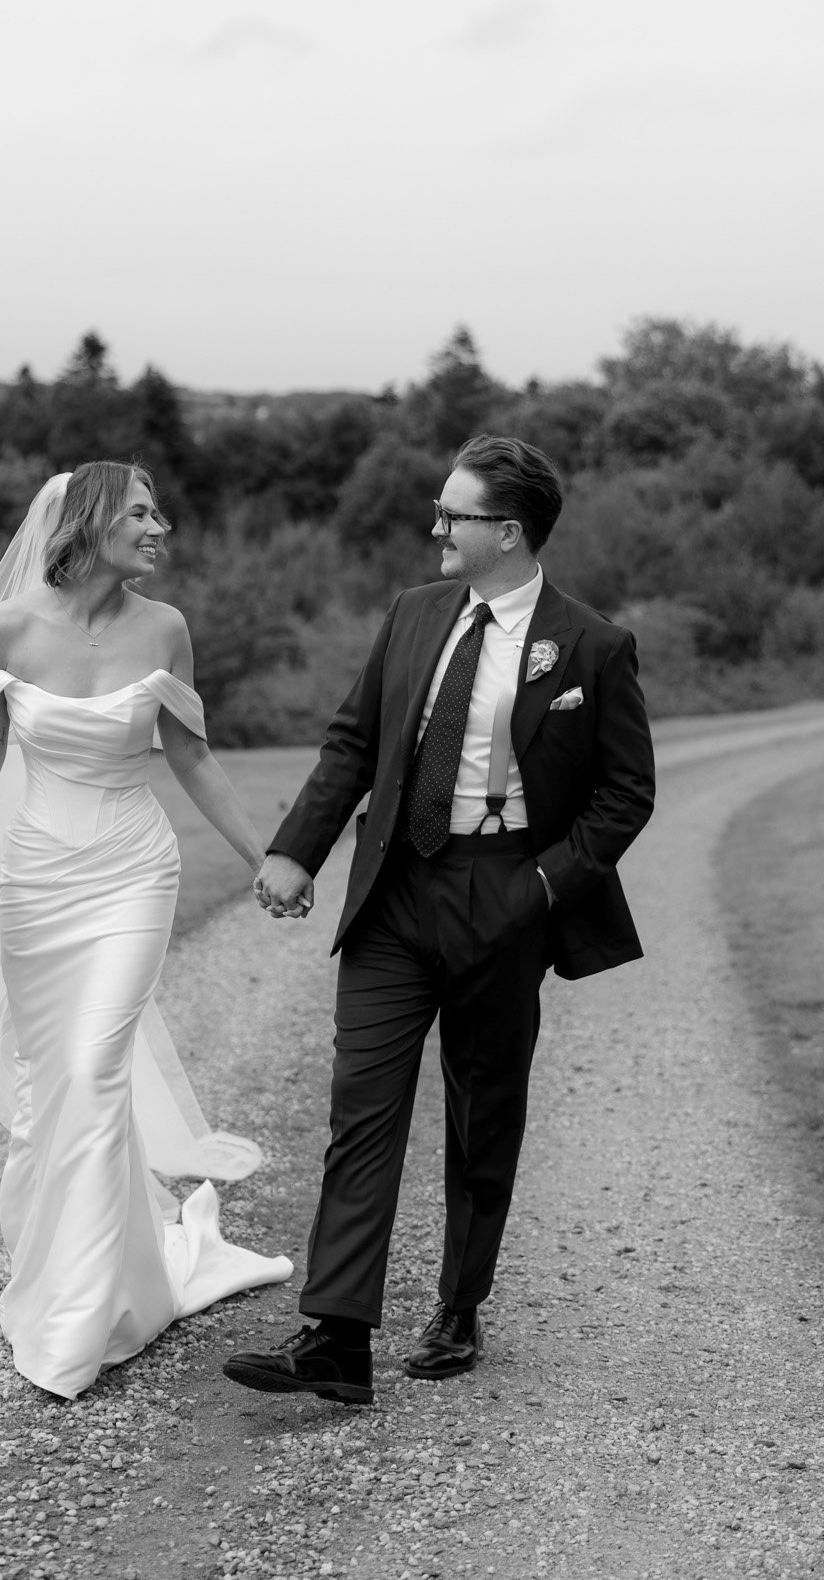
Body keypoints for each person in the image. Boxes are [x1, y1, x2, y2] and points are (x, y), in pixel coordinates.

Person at [224, 434, 655, 1406]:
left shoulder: (589, 645)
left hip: (505, 900)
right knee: (361, 1107)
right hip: (394, 891)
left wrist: (539, 889)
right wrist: (298, 846)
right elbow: (353, 739)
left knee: (482, 1110)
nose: (435, 527)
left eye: (452, 513)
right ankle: (336, 1336)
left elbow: (624, 795)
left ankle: (459, 1305)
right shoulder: (415, 614)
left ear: (506, 531)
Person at [0, 461, 291, 1400]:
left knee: (97, 1065)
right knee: (50, 1079)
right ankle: (69, 1271)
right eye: (144, 513)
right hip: (34, 880)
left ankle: (88, 1310)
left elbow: (189, 755)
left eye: (159, 509)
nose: (163, 527)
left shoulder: (164, 629)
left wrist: (264, 857)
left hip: (131, 873)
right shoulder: (8, 629)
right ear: (94, 522)